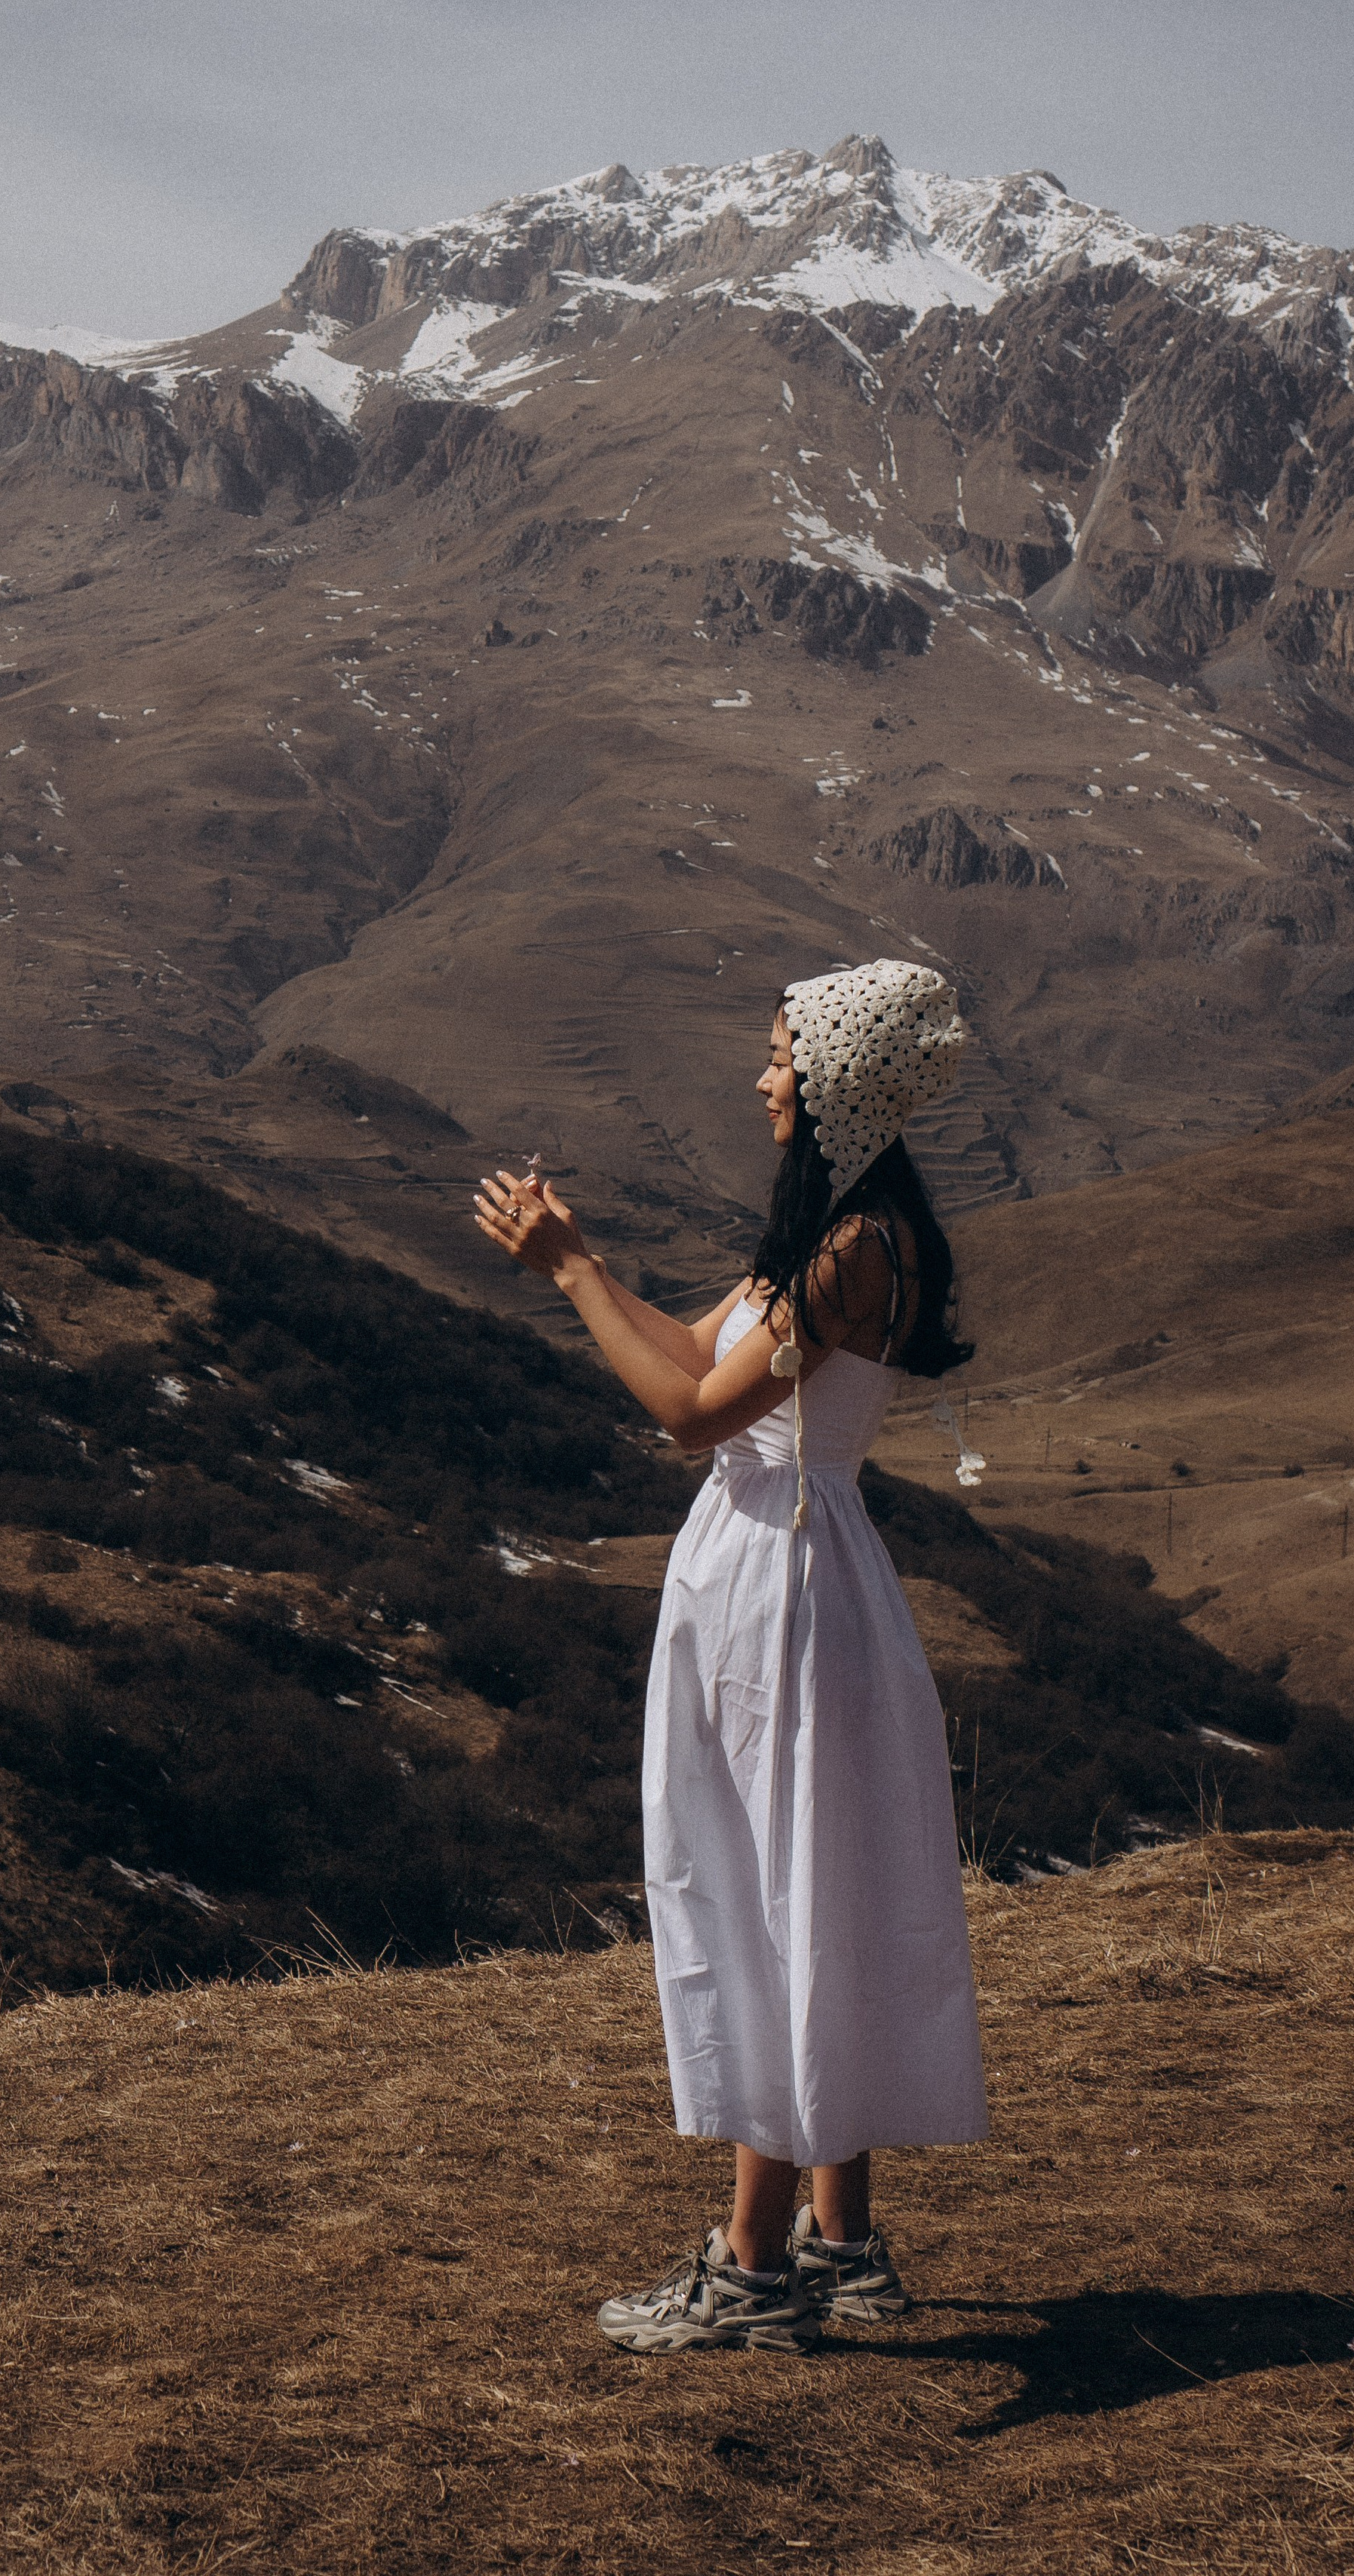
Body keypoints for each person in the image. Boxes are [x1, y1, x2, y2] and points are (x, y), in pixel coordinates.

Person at [474, 958, 987, 2353]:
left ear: (836, 1083)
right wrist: (581, 1265)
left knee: (774, 1894)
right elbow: (693, 1350)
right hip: (779, 1573)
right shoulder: (830, 1236)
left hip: (783, 1586)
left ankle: (753, 2267)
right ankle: (842, 2234)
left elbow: (693, 1414)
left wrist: (569, 1269)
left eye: (781, 1058)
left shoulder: (851, 1251)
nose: (763, 1079)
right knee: (812, 1880)